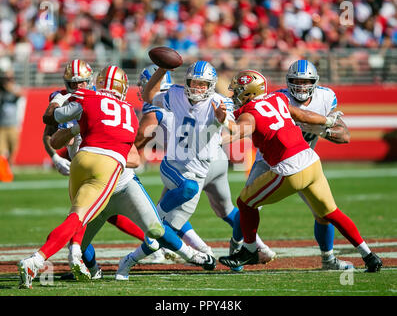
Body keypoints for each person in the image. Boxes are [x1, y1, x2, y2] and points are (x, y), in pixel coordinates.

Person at [115, 61, 274, 280]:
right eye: (194, 83)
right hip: (178, 166)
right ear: (185, 81)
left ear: (211, 85)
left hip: (202, 167)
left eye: (202, 84)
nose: (197, 88)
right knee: (214, 205)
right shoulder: (175, 94)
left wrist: (221, 123)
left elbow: (235, 128)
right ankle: (242, 248)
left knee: (163, 230)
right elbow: (151, 95)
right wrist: (161, 69)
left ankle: (225, 250)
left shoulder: (219, 102)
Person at [217, 69, 382, 273]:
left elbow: (239, 131)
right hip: (311, 161)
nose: (235, 94)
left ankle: (250, 250)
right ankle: (369, 255)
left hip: (289, 168)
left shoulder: (249, 114)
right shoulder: (277, 98)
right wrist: (328, 121)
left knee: (245, 202)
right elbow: (303, 115)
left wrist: (225, 121)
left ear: (248, 93)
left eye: (239, 91)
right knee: (331, 213)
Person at [42, 60, 147, 280]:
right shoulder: (61, 97)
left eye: (81, 82)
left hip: (99, 158)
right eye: (72, 83)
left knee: (85, 216)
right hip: (80, 162)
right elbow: (48, 130)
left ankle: (86, 264)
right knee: (93, 215)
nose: (77, 86)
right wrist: (54, 158)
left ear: (91, 81)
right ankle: (89, 264)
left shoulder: (97, 96)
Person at [247, 60, 353, 270]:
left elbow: (345, 136)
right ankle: (240, 251)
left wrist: (323, 130)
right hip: (268, 161)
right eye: (296, 81)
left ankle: (328, 259)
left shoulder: (325, 97)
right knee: (248, 205)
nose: (301, 86)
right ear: (288, 81)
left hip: (302, 162)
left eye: (306, 81)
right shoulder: (278, 98)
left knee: (323, 213)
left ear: (314, 82)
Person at [0, 68, 25, 182]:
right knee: (1, 151)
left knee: (12, 150)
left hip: (13, 126)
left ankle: (8, 170)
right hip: (2, 126)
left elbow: (20, 94)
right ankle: (3, 172)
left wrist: (9, 88)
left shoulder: (15, 88)